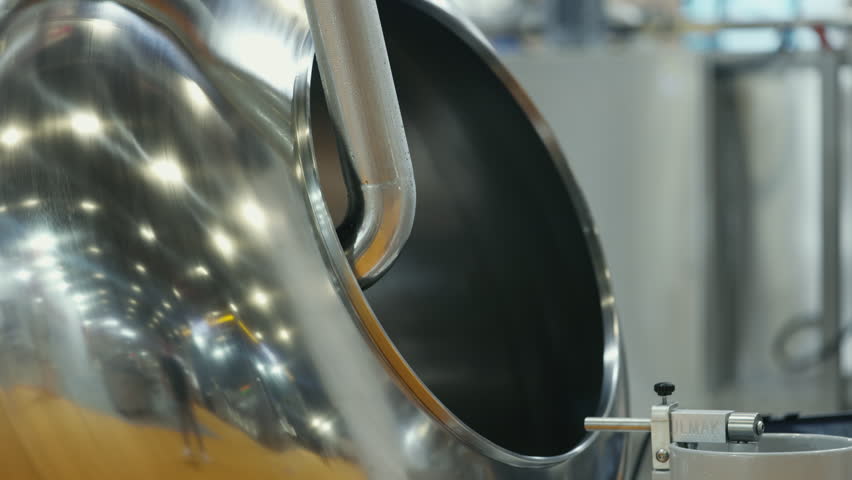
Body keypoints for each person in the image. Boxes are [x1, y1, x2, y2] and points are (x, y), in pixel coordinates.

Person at [159, 342, 208, 461]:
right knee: (183, 422)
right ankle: (187, 448)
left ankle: (202, 451)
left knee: (192, 423)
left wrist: (191, 394)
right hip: (177, 395)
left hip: (184, 394)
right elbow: (164, 378)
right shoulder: (167, 363)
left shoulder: (178, 361)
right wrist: (168, 390)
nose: (167, 351)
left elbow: (186, 378)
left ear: (171, 349)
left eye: (168, 349)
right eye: (166, 349)